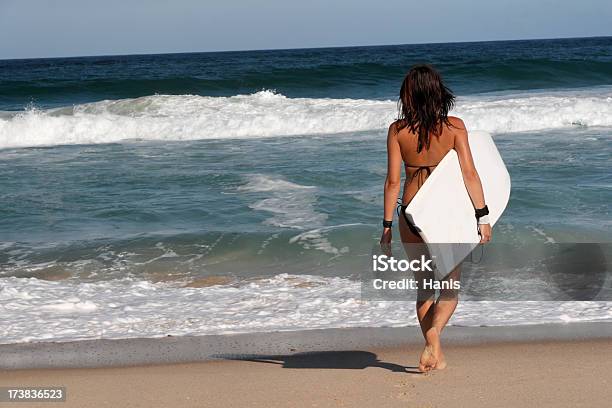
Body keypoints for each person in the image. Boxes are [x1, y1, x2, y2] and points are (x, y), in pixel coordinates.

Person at [380, 64, 492, 372]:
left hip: (411, 213)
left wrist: (387, 226)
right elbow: (470, 174)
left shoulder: (397, 130)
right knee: (450, 289)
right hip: (444, 215)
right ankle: (433, 340)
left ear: (409, 96)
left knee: (424, 287)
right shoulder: (455, 127)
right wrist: (482, 216)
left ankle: (436, 349)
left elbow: (392, 182)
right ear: (438, 93)